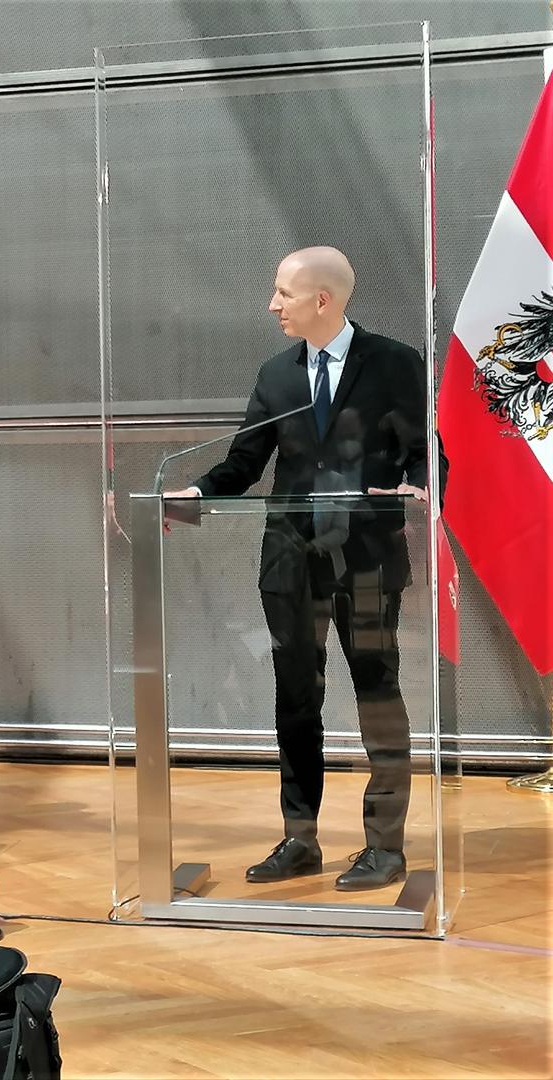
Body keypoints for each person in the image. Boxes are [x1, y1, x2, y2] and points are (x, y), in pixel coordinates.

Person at [165, 246, 440, 891]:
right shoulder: (276, 375)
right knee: (295, 697)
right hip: (291, 561)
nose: (272, 305)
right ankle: (300, 838)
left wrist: (421, 487)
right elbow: (243, 462)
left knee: (377, 691)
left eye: (283, 293)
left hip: (366, 559)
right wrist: (194, 493)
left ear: (324, 300)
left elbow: (427, 450)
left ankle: (385, 847)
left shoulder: (395, 363)